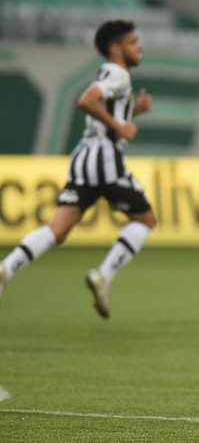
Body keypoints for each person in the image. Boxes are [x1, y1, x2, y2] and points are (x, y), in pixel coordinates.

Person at [0, 20, 156, 318]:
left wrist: (133, 112)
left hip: (84, 160)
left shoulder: (108, 72)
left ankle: (7, 267)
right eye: (133, 41)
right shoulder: (119, 73)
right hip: (105, 162)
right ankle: (104, 276)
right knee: (146, 220)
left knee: (57, 230)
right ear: (116, 48)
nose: (140, 47)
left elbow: (103, 111)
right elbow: (87, 100)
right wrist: (121, 127)